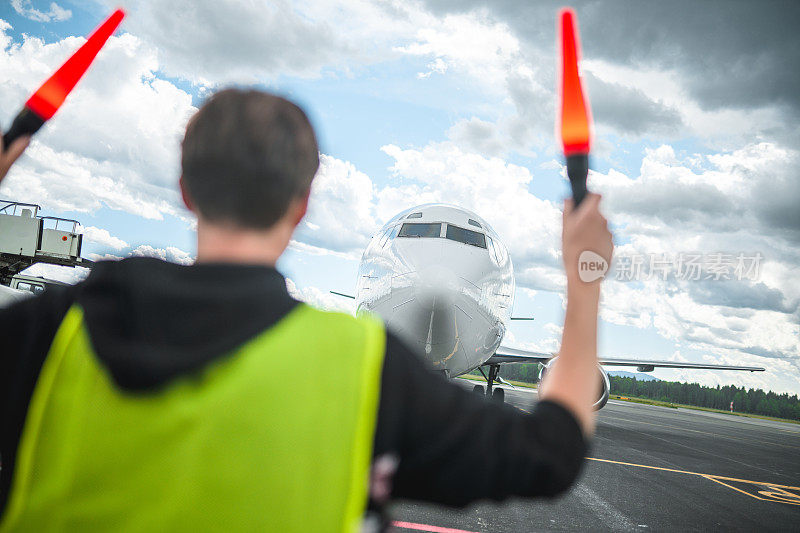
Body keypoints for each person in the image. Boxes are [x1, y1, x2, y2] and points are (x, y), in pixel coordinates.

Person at [0, 89, 613, 532]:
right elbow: (550, 454)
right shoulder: (362, 370)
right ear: (303, 203)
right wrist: (585, 285)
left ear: (185, 190)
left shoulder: (46, 329)